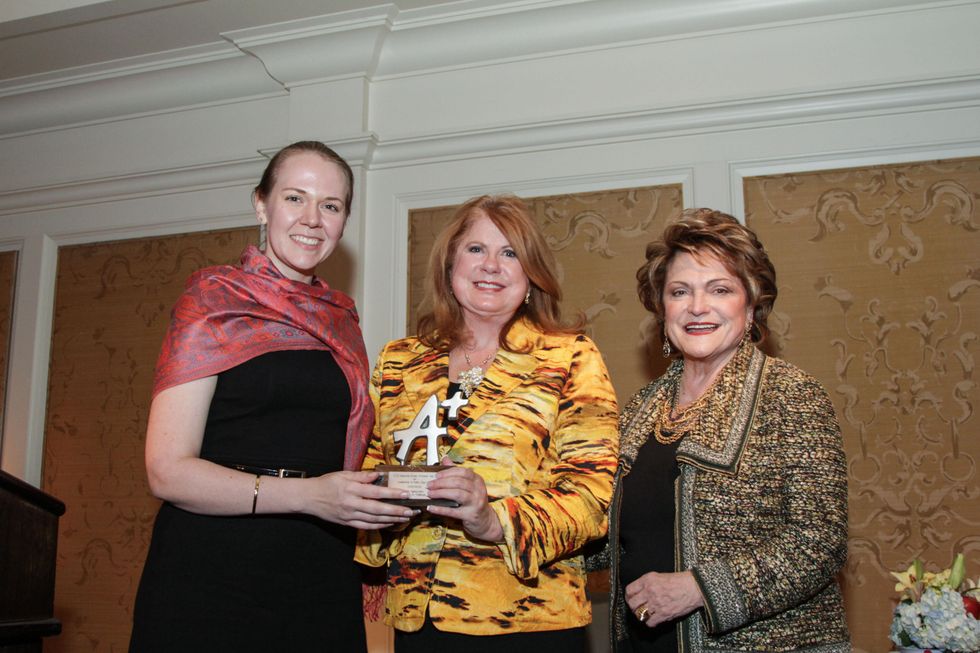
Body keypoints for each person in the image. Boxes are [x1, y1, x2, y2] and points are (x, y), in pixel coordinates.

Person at [129, 141, 414, 653]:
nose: (312, 219)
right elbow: (166, 470)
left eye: (331, 205)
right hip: (211, 570)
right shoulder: (212, 301)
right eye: (294, 198)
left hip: (319, 567)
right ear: (261, 204)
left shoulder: (342, 320)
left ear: (345, 220)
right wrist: (310, 496)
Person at [355, 194, 620, 652]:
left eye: (510, 252)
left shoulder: (569, 356)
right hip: (419, 623)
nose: (491, 266)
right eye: (476, 249)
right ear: (449, 266)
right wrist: (380, 506)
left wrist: (493, 520)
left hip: (530, 618)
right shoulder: (399, 361)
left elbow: (592, 497)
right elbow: (369, 468)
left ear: (531, 275)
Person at [588, 208, 850, 652]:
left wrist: (700, 589)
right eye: (679, 292)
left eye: (720, 289)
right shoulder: (641, 408)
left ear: (750, 306)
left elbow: (819, 540)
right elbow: (610, 538)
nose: (697, 307)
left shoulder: (791, 395)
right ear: (662, 309)